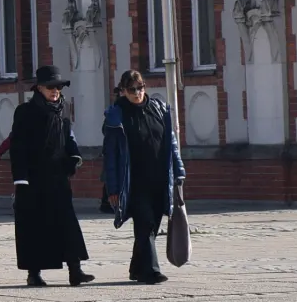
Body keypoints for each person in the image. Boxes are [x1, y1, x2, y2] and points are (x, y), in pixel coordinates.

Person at [11, 66, 93, 287]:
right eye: (51, 87)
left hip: (57, 177)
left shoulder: (62, 109)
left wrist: (74, 156)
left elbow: (69, 137)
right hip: (34, 179)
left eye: (58, 86)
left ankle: (75, 270)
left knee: (67, 224)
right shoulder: (25, 111)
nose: (55, 90)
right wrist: (20, 178)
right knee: (34, 227)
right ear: (39, 88)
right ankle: (33, 273)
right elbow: (17, 146)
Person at [103, 69, 185, 285]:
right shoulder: (116, 116)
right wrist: (112, 188)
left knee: (153, 225)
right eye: (132, 90)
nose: (138, 93)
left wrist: (179, 169)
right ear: (123, 91)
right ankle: (151, 271)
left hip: (159, 178)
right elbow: (110, 155)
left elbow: (171, 143)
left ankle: (136, 267)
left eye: (140, 88)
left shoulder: (158, 109)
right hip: (133, 182)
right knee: (145, 222)